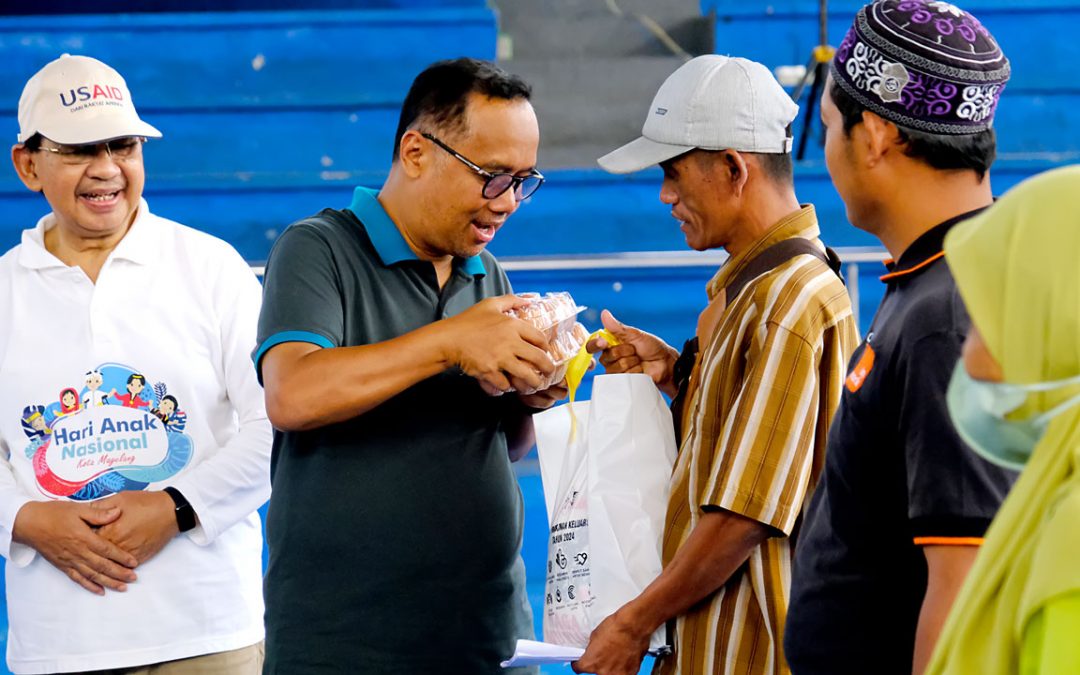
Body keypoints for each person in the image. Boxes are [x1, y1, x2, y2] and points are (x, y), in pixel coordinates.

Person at [255, 57, 563, 674]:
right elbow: (292, 394)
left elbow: (501, 449)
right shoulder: (320, 249)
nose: (507, 203)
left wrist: (530, 396)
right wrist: (451, 342)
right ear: (417, 152)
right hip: (351, 643)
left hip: (487, 632)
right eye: (492, 176)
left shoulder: (486, 273)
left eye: (523, 180)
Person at [573, 55, 858, 675]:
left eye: (674, 174)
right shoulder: (753, 294)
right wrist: (681, 378)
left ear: (733, 168)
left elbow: (743, 514)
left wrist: (633, 622)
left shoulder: (787, 300)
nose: (665, 196)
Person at [0, 54, 271, 673]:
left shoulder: (211, 268)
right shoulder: (2, 292)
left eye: (122, 146)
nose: (106, 170)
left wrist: (177, 507)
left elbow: (278, 424)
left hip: (208, 636)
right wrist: (26, 518)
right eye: (76, 150)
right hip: (56, 647)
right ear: (28, 165)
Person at [783, 2, 1019, 673]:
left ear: (878, 135)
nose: (826, 153)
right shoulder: (948, 281)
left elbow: (963, 581)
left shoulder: (946, 317)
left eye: (829, 127)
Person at [923, 166, 1080, 673]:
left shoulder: (1070, 544)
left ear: (1052, 321)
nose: (964, 351)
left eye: (986, 316)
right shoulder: (1055, 486)